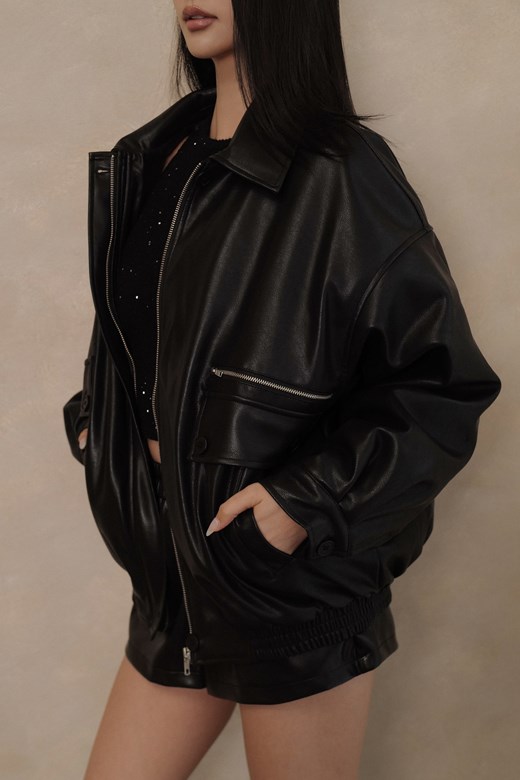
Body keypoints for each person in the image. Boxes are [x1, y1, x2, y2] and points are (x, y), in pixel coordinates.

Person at [62, 1, 502, 778]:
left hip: (286, 590)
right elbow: (139, 338)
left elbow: (439, 385)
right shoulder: (155, 159)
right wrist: (99, 429)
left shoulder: (341, 172)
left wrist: (304, 505)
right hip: (171, 586)